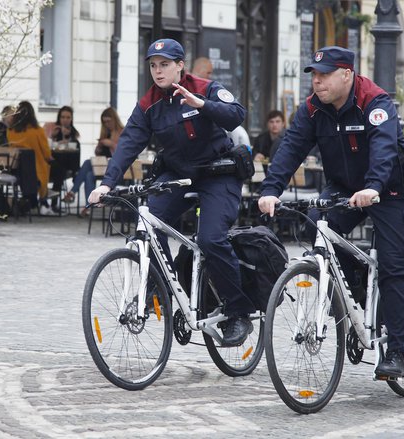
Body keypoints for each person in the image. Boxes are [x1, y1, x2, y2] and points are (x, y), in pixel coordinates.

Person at [258, 46, 404, 379]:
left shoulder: (375, 102)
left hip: (389, 189)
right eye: (314, 76)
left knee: (393, 263)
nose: (317, 82)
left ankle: (397, 351)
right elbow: (291, 147)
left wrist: (374, 186)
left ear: (346, 74)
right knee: (318, 231)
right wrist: (270, 189)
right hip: (345, 188)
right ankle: (359, 290)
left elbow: (384, 148)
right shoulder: (313, 109)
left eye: (324, 75)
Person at [89, 38, 256, 346]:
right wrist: (106, 184)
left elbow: (236, 114)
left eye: (164, 64)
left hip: (219, 174)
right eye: (153, 65)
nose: (158, 71)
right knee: (148, 221)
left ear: (181, 66)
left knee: (210, 239)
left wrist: (201, 104)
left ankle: (238, 312)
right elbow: (129, 143)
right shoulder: (149, 104)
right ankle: (166, 288)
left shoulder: (205, 87)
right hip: (179, 175)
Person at [63, 107, 124, 217]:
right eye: (104, 122)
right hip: (102, 166)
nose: (106, 124)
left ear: (114, 119)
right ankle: (88, 204)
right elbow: (98, 154)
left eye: (108, 121)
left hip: (116, 169)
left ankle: (74, 193)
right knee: (89, 173)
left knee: (87, 166)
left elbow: (123, 154)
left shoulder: (122, 132)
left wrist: (111, 144)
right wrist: (100, 147)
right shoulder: (105, 133)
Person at [7, 100, 55, 216]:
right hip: (36, 171)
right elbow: (46, 153)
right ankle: (45, 202)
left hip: (17, 171)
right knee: (57, 170)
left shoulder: (10, 131)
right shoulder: (38, 131)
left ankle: (32, 202)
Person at [49, 105, 81, 212]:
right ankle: (76, 172)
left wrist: (68, 138)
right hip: (53, 162)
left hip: (67, 162)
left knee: (76, 144)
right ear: (59, 118)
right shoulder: (55, 129)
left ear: (71, 119)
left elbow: (74, 148)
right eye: (63, 117)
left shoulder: (74, 132)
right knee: (60, 168)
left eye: (68, 117)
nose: (65, 120)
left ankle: (75, 171)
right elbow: (49, 146)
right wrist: (54, 137)